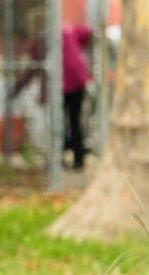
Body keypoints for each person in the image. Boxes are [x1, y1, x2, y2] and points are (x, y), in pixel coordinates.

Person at [9, 11, 96, 170]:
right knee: (74, 120)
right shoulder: (67, 29)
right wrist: (78, 50)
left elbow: (32, 70)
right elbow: (88, 33)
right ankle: (78, 160)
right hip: (78, 79)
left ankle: (59, 159)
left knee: (59, 122)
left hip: (63, 83)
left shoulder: (43, 40)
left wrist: (15, 90)